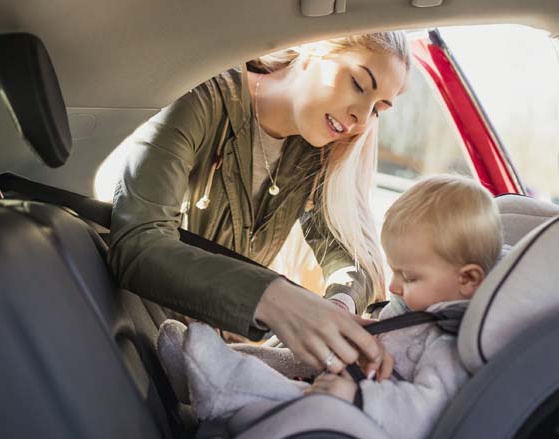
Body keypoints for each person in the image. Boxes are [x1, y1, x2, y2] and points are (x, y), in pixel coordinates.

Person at [105, 33, 411, 374]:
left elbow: (350, 255)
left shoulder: (317, 150)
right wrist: (274, 299)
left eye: (379, 108)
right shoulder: (202, 99)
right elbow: (137, 244)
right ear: (312, 48)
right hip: (140, 337)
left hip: (213, 355)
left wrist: (337, 305)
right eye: (357, 83)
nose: (362, 117)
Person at [160, 175, 505, 439]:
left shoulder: (449, 343)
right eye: (394, 271)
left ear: (468, 279)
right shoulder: (423, 307)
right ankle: (203, 363)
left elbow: (423, 419)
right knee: (290, 357)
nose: (394, 286)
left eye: (409, 277)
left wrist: (356, 398)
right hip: (349, 375)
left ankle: (220, 381)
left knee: (292, 393)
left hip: (355, 417)